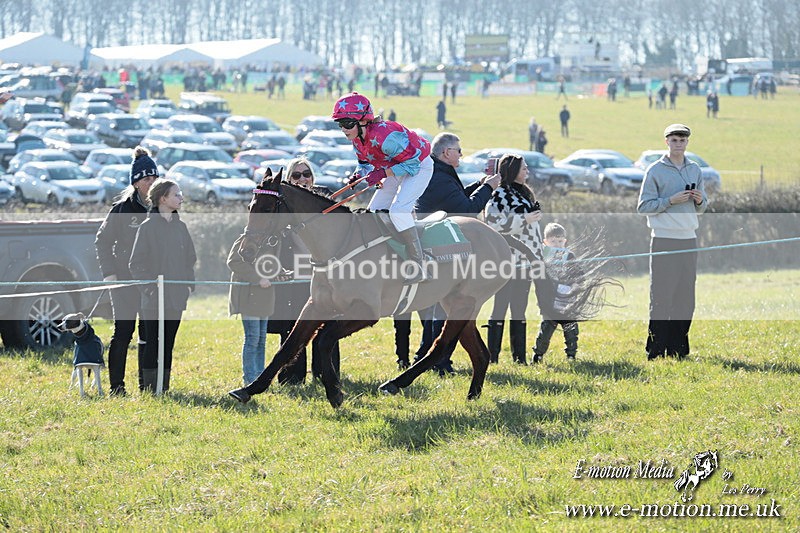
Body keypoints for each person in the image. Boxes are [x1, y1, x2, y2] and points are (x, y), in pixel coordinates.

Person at [406, 133, 501, 374]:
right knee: (441, 307)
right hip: (437, 246)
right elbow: (467, 209)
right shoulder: (440, 177)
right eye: (458, 150)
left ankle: (431, 358)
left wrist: (480, 185)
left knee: (439, 308)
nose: (461, 153)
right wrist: (489, 188)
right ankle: (433, 359)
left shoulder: (438, 173)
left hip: (435, 242)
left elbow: (456, 197)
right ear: (446, 153)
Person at [333, 92, 433, 284]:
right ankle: (387, 254)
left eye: (346, 123)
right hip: (395, 166)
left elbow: (412, 165)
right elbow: (364, 164)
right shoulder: (357, 139)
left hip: (419, 165)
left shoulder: (386, 137)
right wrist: (358, 175)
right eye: (340, 124)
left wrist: (381, 174)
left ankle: (418, 265)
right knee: (373, 212)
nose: (343, 129)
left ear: (363, 121)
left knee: (398, 212)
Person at [637, 123, 707, 361]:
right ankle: (655, 350)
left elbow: (704, 205)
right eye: (674, 140)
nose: (679, 143)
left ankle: (678, 349)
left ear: (687, 142)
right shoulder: (655, 171)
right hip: (664, 241)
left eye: (683, 140)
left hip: (689, 240)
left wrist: (699, 200)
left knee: (686, 298)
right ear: (666, 141)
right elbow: (643, 207)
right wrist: (670, 200)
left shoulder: (695, 170)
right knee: (661, 297)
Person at [271, 157, 341, 384]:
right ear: (289, 180)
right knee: (293, 325)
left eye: (307, 174)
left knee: (326, 325)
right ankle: (292, 375)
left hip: (325, 273)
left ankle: (325, 373)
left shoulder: (323, 199)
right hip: (295, 273)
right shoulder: (284, 204)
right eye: (297, 175)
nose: (303, 179)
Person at [95, 147, 158, 396]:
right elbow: (102, 242)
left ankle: (146, 386)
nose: (151, 183)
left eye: (155, 178)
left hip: (151, 283)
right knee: (123, 333)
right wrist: (110, 274)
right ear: (136, 182)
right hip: (123, 282)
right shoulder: (121, 210)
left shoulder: (162, 209)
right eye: (146, 179)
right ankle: (116, 387)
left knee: (148, 333)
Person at [129, 178, 197, 391]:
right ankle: (149, 389)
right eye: (176, 194)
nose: (181, 198)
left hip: (176, 297)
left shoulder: (181, 228)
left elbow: (190, 259)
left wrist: (188, 285)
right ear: (162, 198)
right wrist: (149, 287)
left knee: (168, 344)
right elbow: (136, 263)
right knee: (153, 344)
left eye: (180, 194)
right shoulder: (147, 228)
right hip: (153, 300)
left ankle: (163, 387)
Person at [483, 154, 544, 365]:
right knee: (500, 307)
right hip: (507, 261)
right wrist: (524, 219)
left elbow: (532, 231)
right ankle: (492, 358)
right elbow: (493, 224)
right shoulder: (499, 194)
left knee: (520, 308)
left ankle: (520, 358)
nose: (527, 171)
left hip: (527, 262)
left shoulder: (525, 193)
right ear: (512, 170)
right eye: (523, 168)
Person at [226, 232, 275, 385]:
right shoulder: (244, 240)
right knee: (252, 338)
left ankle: (259, 378)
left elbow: (272, 264)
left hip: (265, 297)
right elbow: (233, 262)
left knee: (261, 339)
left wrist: (278, 274)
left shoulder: (271, 240)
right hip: (248, 297)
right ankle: (249, 379)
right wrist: (257, 278)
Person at [532, 223, 580, 362]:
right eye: (553, 241)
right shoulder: (542, 257)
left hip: (567, 301)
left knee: (570, 329)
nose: (557, 244)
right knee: (546, 329)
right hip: (549, 301)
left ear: (565, 241)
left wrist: (575, 285)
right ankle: (538, 354)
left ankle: (571, 355)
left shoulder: (570, 256)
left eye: (560, 241)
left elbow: (578, 274)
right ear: (545, 242)